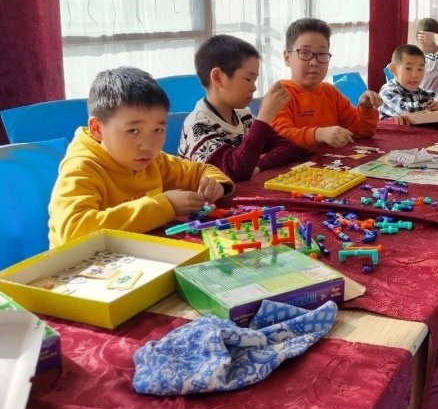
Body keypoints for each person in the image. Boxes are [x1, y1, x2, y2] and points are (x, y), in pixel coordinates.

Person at [48, 67, 234, 248]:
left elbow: (201, 170)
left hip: (137, 255)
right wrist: (165, 206)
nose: (148, 146)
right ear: (97, 129)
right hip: (84, 266)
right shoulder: (82, 168)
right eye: (133, 131)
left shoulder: (154, 161)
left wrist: (216, 184)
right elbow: (74, 232)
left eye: (158, 130)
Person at [178, 34, 305, 181]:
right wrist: (264, 118)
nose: (254, 87)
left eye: (255, 80)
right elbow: (231, 173)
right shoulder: (198, 125)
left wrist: (257, 166)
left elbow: (287, 148)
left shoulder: (244, 116)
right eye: (248, 79)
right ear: (218, 77)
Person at [271, 18, 382, 149]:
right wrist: (319, 134)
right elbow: (280, 138)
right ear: (287, 58)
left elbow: (361, 131)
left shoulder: (330, 92)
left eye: (322, 54)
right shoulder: (279, 95)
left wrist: (366, 109)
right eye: (305, 53)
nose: (314, 62)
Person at [378, 44, 438, 119]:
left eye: (420, 69)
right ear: (394, 69)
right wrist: (429, 107)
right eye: (408, 68)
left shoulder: (418, 91)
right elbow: (406, 111)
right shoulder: (387, 91)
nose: (415, 75)